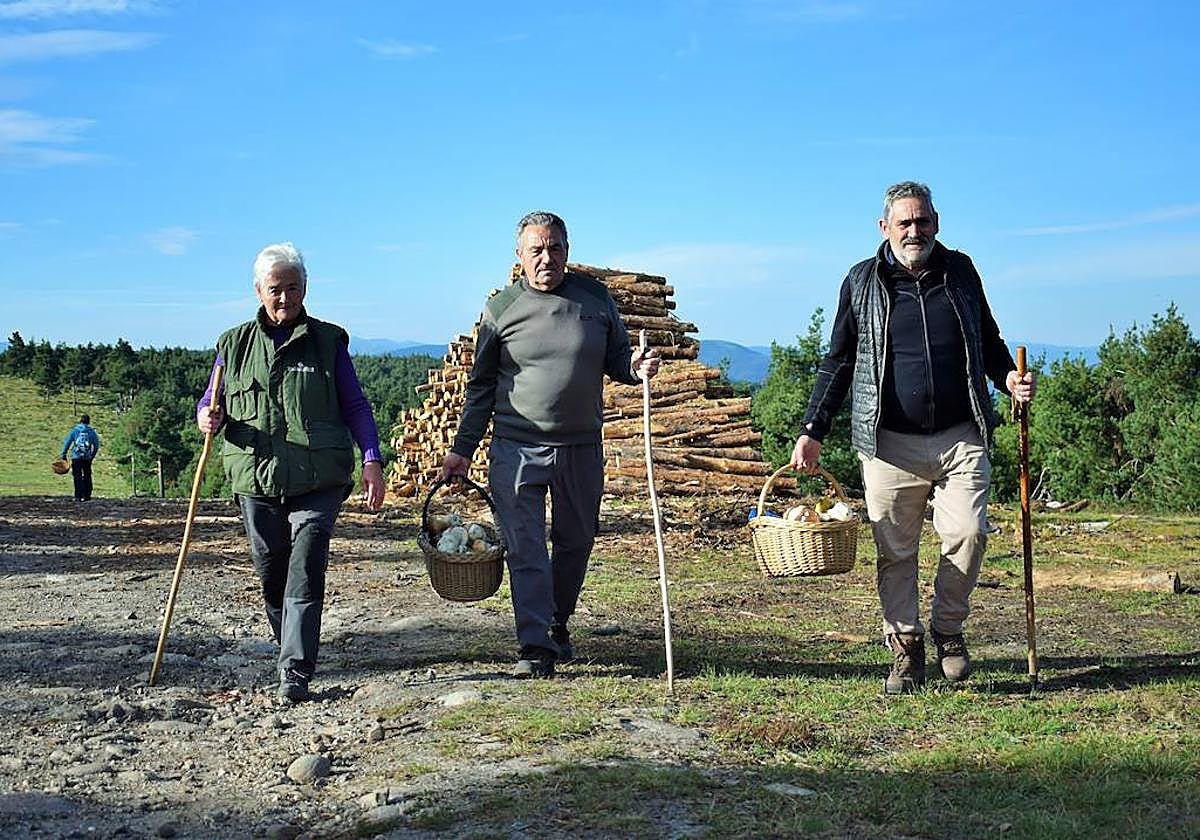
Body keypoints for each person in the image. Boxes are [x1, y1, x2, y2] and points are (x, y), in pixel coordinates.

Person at [790, 182, 1036, 695]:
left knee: (969, 533)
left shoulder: (960, 272)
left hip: (960, 432)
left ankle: (948, 630)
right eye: (904, 223)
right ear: (885, 228)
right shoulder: (862, 281)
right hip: (888, 441)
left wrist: (1007, 378)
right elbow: (839, 360)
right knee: (895, 552)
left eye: (922, 221)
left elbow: (988, 340)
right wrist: (814, 429)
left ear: (937, 222)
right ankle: (905, 647)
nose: (914, 231)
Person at [441, 211, 661, 679]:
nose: (547, 258)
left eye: (555, 247)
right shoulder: (500, 309)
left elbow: (618, 359)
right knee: (525, 548)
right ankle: (535, 643)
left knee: (575, 542)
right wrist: (462, 449)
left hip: (581, 446)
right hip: (516, 448)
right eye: (536, 250)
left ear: (568, 249)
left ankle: (558, 622)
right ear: (519, 257)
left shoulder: (595, 299)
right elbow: (480, 387)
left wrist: (636, 364)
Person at [196, 242, 385, 703]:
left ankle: (295, 670)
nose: (285, 299)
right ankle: (290, 647)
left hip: (318, 479)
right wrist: (207, 415)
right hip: (256, 479)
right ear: (259, 290)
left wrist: (372, 458)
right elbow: (210, 400)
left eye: (294, 289)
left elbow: (355, 404)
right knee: (271, 572)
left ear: (306, 289)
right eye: (276, 290)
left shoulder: (327, 341)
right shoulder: (233, 344)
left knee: (305, 568)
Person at [60, 414, 100, 501]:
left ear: (80, 421)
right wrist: (92, 456)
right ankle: (87, 495)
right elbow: (96, 445)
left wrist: (63, 454)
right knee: (87, 475)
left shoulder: (75, 431)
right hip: (87, 457)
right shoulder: (92, 432)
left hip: (76, 456)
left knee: (77, 476)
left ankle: (78, 495)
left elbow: (67, 442)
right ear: (89, 422)